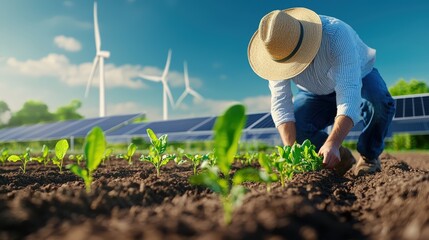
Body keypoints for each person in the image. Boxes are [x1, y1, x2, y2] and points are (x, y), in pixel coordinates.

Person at [247, 7, 395, 176]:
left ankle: (369, 156)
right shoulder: (277, 52)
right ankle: (341, 157)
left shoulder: (336, 34)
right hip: (314, 93)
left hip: (359, 77)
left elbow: (349, 93)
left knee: (379, 104)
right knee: (297, 128)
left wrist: (333, 141)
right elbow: (281, 104)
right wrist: (292, 151)